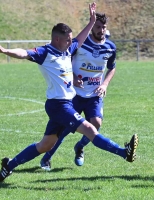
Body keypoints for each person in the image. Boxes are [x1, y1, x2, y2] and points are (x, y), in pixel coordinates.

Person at [0, 2, 139, 182]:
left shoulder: (67, 49)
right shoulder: (45, 52)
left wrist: (92, 22)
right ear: (57, 39)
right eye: (68, 39)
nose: (72, 42)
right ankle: (125, 153)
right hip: (58, 105)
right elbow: (24, 52)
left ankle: (9, 165)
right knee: (90, 129)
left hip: (65, 104)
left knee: (45, 145)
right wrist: (5, 50)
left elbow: (80, 39)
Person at [40, 12, 116, 169]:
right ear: (92, 28)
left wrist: (105, 84)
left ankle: (80, 147)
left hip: (94, 94)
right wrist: (73, 77)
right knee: (65, 129)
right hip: (74, 94)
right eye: (98, 27)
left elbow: (112, 68)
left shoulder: (110, 47)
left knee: (96, 123)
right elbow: (64, 59)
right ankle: (47, 158)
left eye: (104, 27)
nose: (101, 30)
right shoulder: (80, 44)